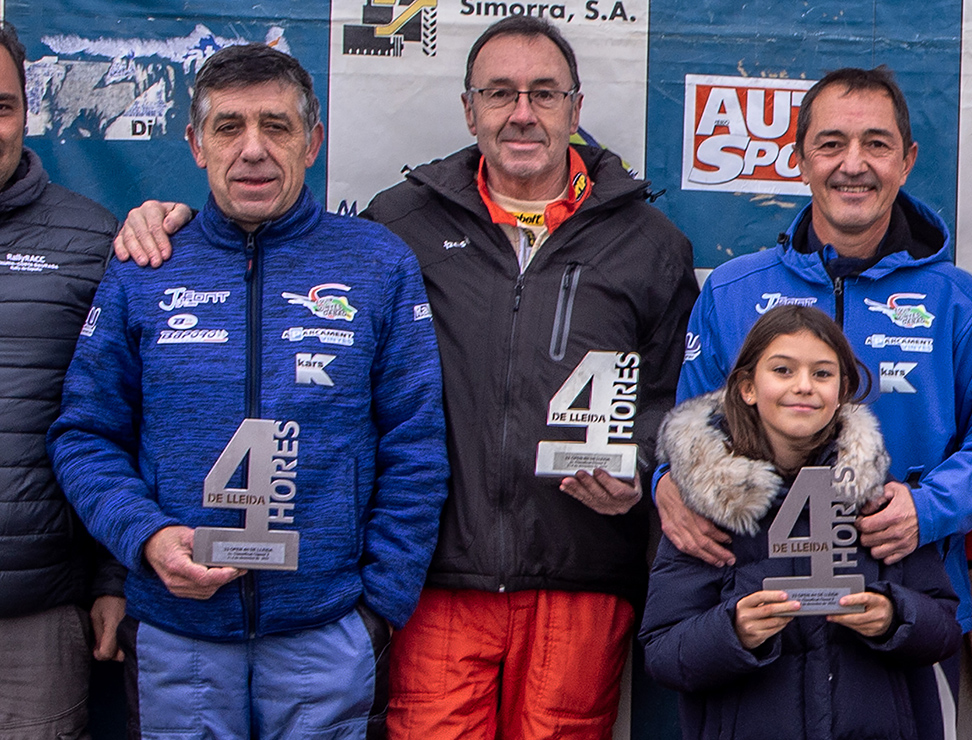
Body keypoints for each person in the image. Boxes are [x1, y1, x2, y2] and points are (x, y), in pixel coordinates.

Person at [110, 16, 698, 740]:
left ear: (576, 108)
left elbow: (676, 399)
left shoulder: (652, 242)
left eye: (545, 94)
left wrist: (639, 466)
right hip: (442, 579)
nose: (522, 113)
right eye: (500, 93)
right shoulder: (400, 226)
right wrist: (165, 220)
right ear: (468, 108)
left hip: (578, 566)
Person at [47, 43, 449, 739]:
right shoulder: (145, 264)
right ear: (196, 144)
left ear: (313, 141)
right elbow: (85, 436)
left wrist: (376, 607)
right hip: (178, 634)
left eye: (277, 126)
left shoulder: (378, 263)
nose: (253, 149)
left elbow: (416, 446)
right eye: (229, 127)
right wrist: (145, 538)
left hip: (327, 634)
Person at [654, 65, 972, 724]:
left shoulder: (956, 301)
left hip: (901, 609)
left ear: (908, 159)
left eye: (877, 144)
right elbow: (689, 424)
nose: (852, 165)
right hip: (756, 614)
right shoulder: (731, 291)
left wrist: (929, 507)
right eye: (831, 143)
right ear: (797, 156)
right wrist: (667, 477)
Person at [641, 305, 961, 739]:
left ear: (844, 390)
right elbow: (663, 652)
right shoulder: (703, 501)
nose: (804, 386)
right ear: (748, 387)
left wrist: (893, 617)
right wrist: (732, 631)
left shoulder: (879, 499)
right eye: (783, 370)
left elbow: (943, 629)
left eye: (823, 374)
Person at [0, 20, 127, 740]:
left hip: (37, 616)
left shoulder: (91, 239)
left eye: (1, 105)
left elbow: (117, 420)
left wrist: (112, 579)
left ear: (27, 112)